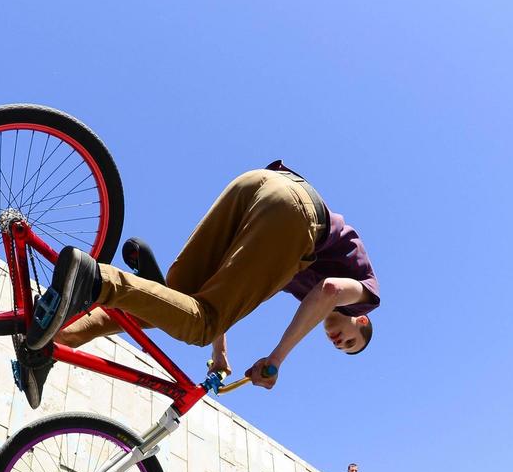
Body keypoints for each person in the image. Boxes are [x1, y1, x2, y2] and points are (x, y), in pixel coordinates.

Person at [19, 161, 379, 407]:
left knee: (167, 304)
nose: (337, 341)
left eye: (339, 348)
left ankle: (55, 338)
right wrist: (276, 359)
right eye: (349, 340)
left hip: (258, 185)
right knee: (200, 324)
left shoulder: (296, 276)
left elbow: (227, 284)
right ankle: (96, 279)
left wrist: (219, 351)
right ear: (360, 322)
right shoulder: (364, 298)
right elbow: (329, 292)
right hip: (297, 215)